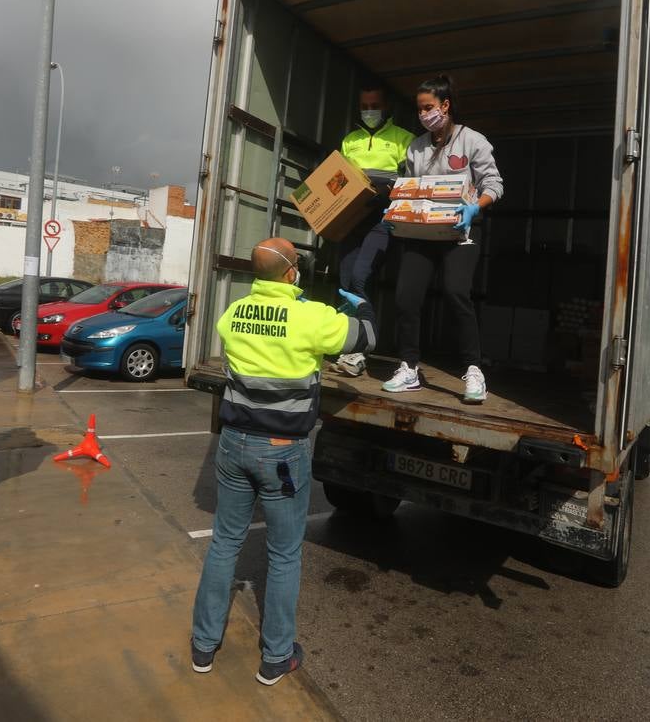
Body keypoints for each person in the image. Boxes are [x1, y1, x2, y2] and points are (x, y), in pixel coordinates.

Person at [191, 237, 376, 686]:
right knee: (284, 554)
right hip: (282, 452)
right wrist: (364, 305)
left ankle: (203, 645)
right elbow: (366, 338)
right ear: (292, 272)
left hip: (233, 444)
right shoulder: (312, 318)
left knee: (224, 543)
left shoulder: (233, 314)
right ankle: (276, 656)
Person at [382, 74, 503, 404]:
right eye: (420, 109)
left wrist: (473, 208)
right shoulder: (417, 147)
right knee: (406, 297)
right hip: (421, 233)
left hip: (461, 231)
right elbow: (409, 188)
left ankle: (473, 370)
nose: (424, 115)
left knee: (455, 292)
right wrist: (396, 213)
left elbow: (494, 185)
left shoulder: (472, 141)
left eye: (429, 108)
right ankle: (409, 367)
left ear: (445, 106)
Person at [334, 82, 414, 377]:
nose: (369, 111)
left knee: (359, 276)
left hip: (382, 219)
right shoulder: (349, 141)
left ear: (387, 107)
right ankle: (347, 345)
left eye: (374, 106)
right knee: (345, 282)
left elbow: (411, 183)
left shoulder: (404, 139)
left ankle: (360, 350)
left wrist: (386, 189)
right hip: (351, 219)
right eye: (364, 107)